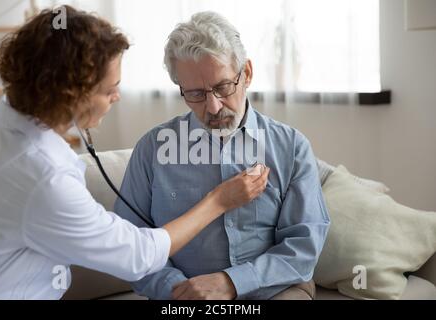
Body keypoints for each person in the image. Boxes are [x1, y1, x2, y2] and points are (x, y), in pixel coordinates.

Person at [0, 7, 269, 300]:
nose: (117, 97)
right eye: (110, 90)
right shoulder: (45, 178)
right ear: (73, 96)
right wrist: (219, 200)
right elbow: (138, 256)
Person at [115, 11, 331, 300]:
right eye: (195, 94)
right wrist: (180, 291)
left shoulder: (291, 148)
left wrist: (230, 283)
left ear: (247, 74)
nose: (214, 107)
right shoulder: (152, 151)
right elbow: (130, 245)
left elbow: (303, 248)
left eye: (222, 87)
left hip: (274, 291)